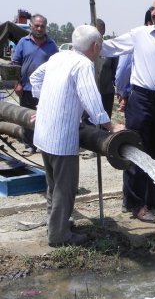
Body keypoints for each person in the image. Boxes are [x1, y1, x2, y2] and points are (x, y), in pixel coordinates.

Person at [30, 25, 125, 247]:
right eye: (99, 46)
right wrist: (110, 126)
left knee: (53, 185)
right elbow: (90, 98)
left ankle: (56, 224)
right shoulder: (83, 64)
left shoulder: (58, 57)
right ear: (94, 46)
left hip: (44, 133)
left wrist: (42, 105)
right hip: (61, 137)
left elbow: (35, 78)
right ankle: (59, 236)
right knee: (65, 188)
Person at [101, 0, 155, 223]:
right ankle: (136, 204)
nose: (154, 13)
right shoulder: (139, 35)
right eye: (153, 9)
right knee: (136, 151)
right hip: (141, 100)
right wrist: (90, 41)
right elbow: (110, 48)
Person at [11, 13, 58, 155]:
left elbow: (57, 66)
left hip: (45, 90)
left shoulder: (51, 45)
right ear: (31, 26)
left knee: (44, 117)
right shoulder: (23, 42)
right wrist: (16, 83)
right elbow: (15, 64)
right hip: (25, 88)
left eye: (42, 26)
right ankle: (29, 145)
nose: (39, 28)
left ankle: (43, 145)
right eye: (37, 25)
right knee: (26, 118)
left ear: (45, 28)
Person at [115, 8, 153, 113]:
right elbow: (122, 71)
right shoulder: (135, 39)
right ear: (149, 23)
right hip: (136, 98)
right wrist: (124, 94)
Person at [82, 18, 118, 123]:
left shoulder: (110, 50)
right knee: (88, 124)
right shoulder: (83, 49)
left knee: (104, 123)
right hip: (88, 93)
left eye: (100, 33)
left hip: (106, 93)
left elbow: (115, 72)